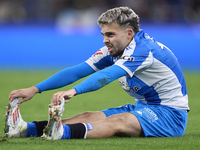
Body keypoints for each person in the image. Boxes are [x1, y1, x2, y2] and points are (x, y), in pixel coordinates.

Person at [5, 6, 189, 140]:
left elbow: (107, 76)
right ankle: (25, 129)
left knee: (119, 121)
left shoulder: (143, 50)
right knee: (86, 116)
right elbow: (76, 72)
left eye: (110, 34)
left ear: (129, 33)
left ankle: (61, 134)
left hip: (170, 115)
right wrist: (35, 89)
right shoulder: (117, 48)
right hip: (143, 107)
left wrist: (73, 91)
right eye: (103, 34)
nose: (104, 40)